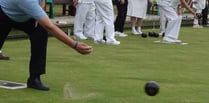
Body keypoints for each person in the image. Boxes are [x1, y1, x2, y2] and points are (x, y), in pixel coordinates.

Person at [0, 0, 92, 91]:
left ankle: (34, 78)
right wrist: (75, 45)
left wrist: (41, 10)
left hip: (24, 15)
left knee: (40, 30)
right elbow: (49, 26)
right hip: (3, 13)